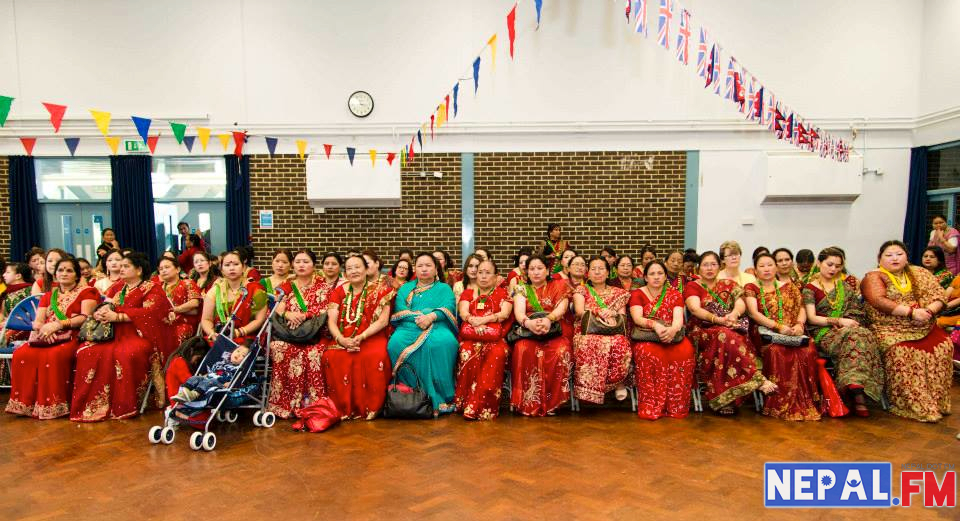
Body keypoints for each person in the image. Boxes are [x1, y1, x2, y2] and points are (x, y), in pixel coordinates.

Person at [71, 252, 174, 421]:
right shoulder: (120, 288)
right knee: (86, 351)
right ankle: (94, 406)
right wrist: (100, 313)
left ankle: (123, 405)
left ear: (139, 270)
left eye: (126, 266)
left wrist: (117, 316)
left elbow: (150, 313)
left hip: (141, 335)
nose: (121, 269)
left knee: (123, 354)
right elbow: (106, 305)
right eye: (121, 266)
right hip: (116, 334)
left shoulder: (151, 288)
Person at [862, 240, 951, 422]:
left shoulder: (920, 273)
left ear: (907, 257)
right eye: (889, 255)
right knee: (902, 351)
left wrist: (929, 311)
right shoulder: (873, 277)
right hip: (888, 328)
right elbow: (879, 301)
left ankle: (936, 402)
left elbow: (939, 295)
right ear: (879, 259)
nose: (895, 258)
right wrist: (911, 313)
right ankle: (912, 404)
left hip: (923, 324)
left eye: (899, 254)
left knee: (944, 344)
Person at [5, 258, 98, 419]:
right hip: (46, 336)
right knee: (21, 354)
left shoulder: (87, 292)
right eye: (60, 270)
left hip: (74, 336)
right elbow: (38, 321)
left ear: (77, 275)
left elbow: (85, 317)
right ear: (55, 274)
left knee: (53, 355)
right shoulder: (49, 295)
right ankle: (25, 404)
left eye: (69, 270)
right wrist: (44, 329)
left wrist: (58, 325)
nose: (64, 273)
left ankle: (54, 405)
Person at [684, 251, 770, 415]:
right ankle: (757, 379)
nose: (709, 268)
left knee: (728, 336)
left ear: (720, 266)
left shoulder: (729, 284)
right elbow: (694, 309)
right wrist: (717, 319)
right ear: (698, 268)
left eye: (713, 264)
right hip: (703, 330)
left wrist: (734, 315)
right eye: (705, 265)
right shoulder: (693, 286)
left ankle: (727, 400)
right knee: (724, 335)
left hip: (730, 325)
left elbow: (740, 304)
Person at [802, 247, 885, 417]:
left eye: (838, 266)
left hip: (848, 330)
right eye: (829, 264)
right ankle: (856, 395)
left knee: (864, 335)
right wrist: (839, 321)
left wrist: (848, 321)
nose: (833, 269)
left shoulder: (844, 287)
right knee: (855, 336)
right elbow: (811, 318)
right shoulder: (809, 288)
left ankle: (854, 385)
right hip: (823, 332)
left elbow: (856, 311)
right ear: (819, 263)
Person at [744, 253, 819, 421]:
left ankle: (805, 402)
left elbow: (801, 307)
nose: (766, 269)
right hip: (765, 333)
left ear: (776, 267)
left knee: (807, 351)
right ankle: (779, 402)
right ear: (755, 270)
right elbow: (754, 313)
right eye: (762, 266)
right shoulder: (751, 288)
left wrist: (799, 325)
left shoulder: (789, 286)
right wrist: (778, 327)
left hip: (793, 330)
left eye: (770, 265)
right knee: (777, 351)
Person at [323, 254, 396, 420]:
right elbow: (331, 321)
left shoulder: (381, 291)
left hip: (371, 336)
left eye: (357, 267)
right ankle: (343, 408)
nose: (354, 271)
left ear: (366, 269)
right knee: (332, 356)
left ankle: (372, 406)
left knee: (375, 356)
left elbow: (383, 321)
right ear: (345, 273)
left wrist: (361, 337)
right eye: (349, 268)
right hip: (343, 337)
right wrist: (341, 340)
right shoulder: (339, 291)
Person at [388, 253, 460, 415]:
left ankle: (440, 396)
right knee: (394, 344)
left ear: (436, 269)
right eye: (420, 266)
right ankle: (410, 392)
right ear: (415, 269)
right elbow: (400, 309)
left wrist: (431, 316)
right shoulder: (406, 288)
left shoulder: (444, 288)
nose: (424, 269)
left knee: (444, 343)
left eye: (428, 265)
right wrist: (420, 316)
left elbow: (448, 307)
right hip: (409, 325)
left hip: (437, 325)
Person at [267, 249, 334, 419]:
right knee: (278, 347)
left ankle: (311, 404)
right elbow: (277, 309)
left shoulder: (323, 286)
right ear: (293, 265)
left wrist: (305, 315)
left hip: (315, 336)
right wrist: (288, 314)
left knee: (313, 354)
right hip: (289, 334)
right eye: (297, 262)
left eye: (306, 262)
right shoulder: (286, 286)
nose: (301, 265)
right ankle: (284, 405)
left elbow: (326, 309)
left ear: (314, 265)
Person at [629, 260, 696, 420]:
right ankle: (652, 406)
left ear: (666, 276)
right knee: (649, 354)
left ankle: (675, 406)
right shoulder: (637, 294)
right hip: (647, 336)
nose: (656, 277)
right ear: (645, 277)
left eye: (660, 273)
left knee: (685, 351)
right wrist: (655, 325)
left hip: (671, 336)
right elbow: (637, 318)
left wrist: (672, 330)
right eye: (652, 274)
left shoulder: (674, 294)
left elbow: (678, 319)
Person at [510, 255, 573, 416]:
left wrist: (549, 319)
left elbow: (562, 308)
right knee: (522, 349)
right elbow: (519, 312)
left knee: (561, 351)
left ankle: (553, 402)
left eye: (540, 268)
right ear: (527, 272)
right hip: (529, 331)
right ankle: (528, 402)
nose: (536, 272)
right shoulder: (521, 288)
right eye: (532, 269)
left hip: (553, 330)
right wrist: (529, 324)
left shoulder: (559, 285)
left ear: (547, 271)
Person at [455, 258, 513, 420]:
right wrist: (473, 321)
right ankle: (466, 402)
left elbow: (504, 314)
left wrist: (484, 320)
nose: (483, 276)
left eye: (488, 273)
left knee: (497, 353)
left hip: (496, 339)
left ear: (496, 276)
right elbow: (463, 313)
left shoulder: (503, 294)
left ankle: (483, 406)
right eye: (480, 272)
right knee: (467, 350)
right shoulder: (468, 293)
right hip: (471, 336)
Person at [571, 257, 632, 404]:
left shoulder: (619, 293)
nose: (597, 272)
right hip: (587, 330)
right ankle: (588, 389)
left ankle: (618, 383)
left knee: (620, 342)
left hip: (612, 329)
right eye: (593, 269)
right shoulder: (581, 290)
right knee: (588, 343)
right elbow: (579, 311)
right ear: (588, 273)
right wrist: (599, 312)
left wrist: (613, 313)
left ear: (608, 272)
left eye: (601, 269)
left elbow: (622, 316)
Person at [199, 250, 268, 348]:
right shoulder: (215, 291)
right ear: (222, 270)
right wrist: (212, 333)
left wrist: (239, 332)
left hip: (247, 337)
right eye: (227, 265)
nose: (231, 268)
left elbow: (259, 319)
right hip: (219, 336)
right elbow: (206, 319)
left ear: (243, 267)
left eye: (236, 264)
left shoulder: (255, 290)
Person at [170, 343, 251, 404]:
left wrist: (231, 383)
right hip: (210, 378)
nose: (238, 354)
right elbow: (212, 371)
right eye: (238, 351)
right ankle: (183, 392)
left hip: (220, 383)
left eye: (243, 355)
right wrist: (204, 376)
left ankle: (195, 394)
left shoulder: (238, 369)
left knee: (209, 381)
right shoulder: (222, 362)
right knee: (195, 378)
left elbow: (239, 380)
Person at [157, 257, 202, 349]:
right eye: (161, 269)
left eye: (167, 267)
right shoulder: (158, 288)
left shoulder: (187, 283)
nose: (163, 270)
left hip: (183, 324)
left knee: (174, 336)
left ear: (177, 269)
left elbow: (194, 303)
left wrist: (175, 310)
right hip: (163, 324)